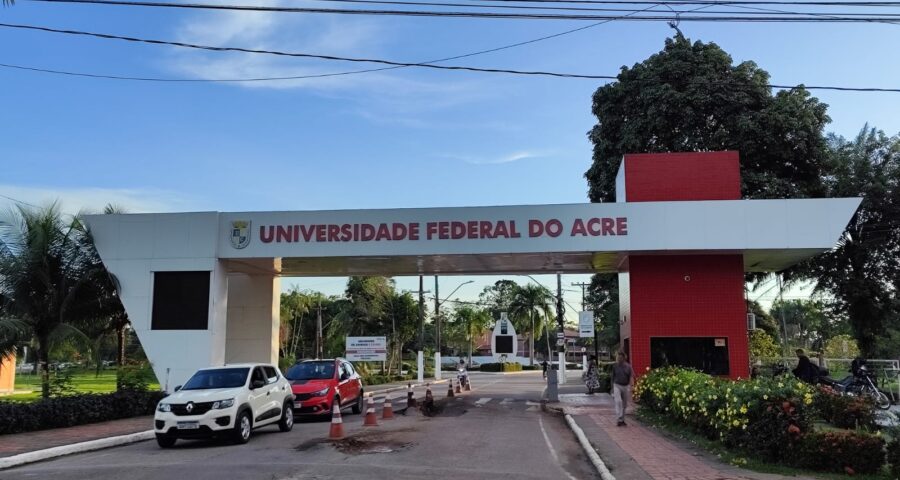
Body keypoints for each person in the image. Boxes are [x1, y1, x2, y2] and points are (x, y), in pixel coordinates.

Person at [612, 351, 633, 426]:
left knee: (624, 404)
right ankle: (619, 417)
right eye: (618, 357)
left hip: (625, 386)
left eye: (621, 357)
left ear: (624, 358)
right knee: (618, 401)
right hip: (617, 385)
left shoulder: (628, 367)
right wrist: (612, 388)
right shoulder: (615, 366)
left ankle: (622, 420)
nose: (619, 359)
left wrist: (631, 386)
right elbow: (613, 377)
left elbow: (631, 377)